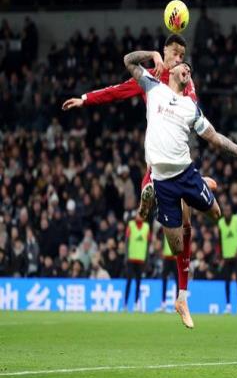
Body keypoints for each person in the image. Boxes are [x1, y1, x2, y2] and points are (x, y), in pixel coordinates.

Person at [62, 33, 212, 328]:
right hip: (159, 163)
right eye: (174, 53)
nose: (179, 59)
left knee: (186, 225)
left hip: (181, 162)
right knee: (162, 197)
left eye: (182, 56)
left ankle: (182, 294)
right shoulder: (151, 79)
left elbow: (197, 116)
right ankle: (149, 194)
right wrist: (85, 99)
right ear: (164, 52)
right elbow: (118, 90)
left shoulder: (186, 82)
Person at [123, 50, 237, 325]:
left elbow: (215, 137)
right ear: (172, 70)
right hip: (163, 182)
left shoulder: (190, 107)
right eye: (183, 65)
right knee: (176, 247)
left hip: (185, 174)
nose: (187, 70)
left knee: (216, 214)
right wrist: (153, 55)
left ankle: (197, 185)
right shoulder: (153, 88)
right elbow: (128, 61)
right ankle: (181, 299)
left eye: (190, 69)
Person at [218, 204, 237, 314]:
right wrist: (221, 256)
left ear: (231, 211)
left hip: (236, 257)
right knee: (227, 282)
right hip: (227, 257)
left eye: (228, 210)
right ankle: (228, 306)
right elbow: (219, 241)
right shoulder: (221, 223)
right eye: (225, 210)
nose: (227, 212)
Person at [124, 214, 151, 311]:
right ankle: (125, 304)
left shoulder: (146, 227)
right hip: (131, 259)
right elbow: (126, 242)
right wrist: (126, 256)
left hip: (141, 260)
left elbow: (148, 245)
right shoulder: (131, 225)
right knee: (129, 282)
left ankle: (136, 304)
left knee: (138, 283)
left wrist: (147, 259)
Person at [160, 232, 179, 311]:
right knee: (164, 280)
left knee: (178, 282)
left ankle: (177, 305)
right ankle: (163, 303)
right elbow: (162, 240)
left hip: (175, 258)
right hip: (167, 258)